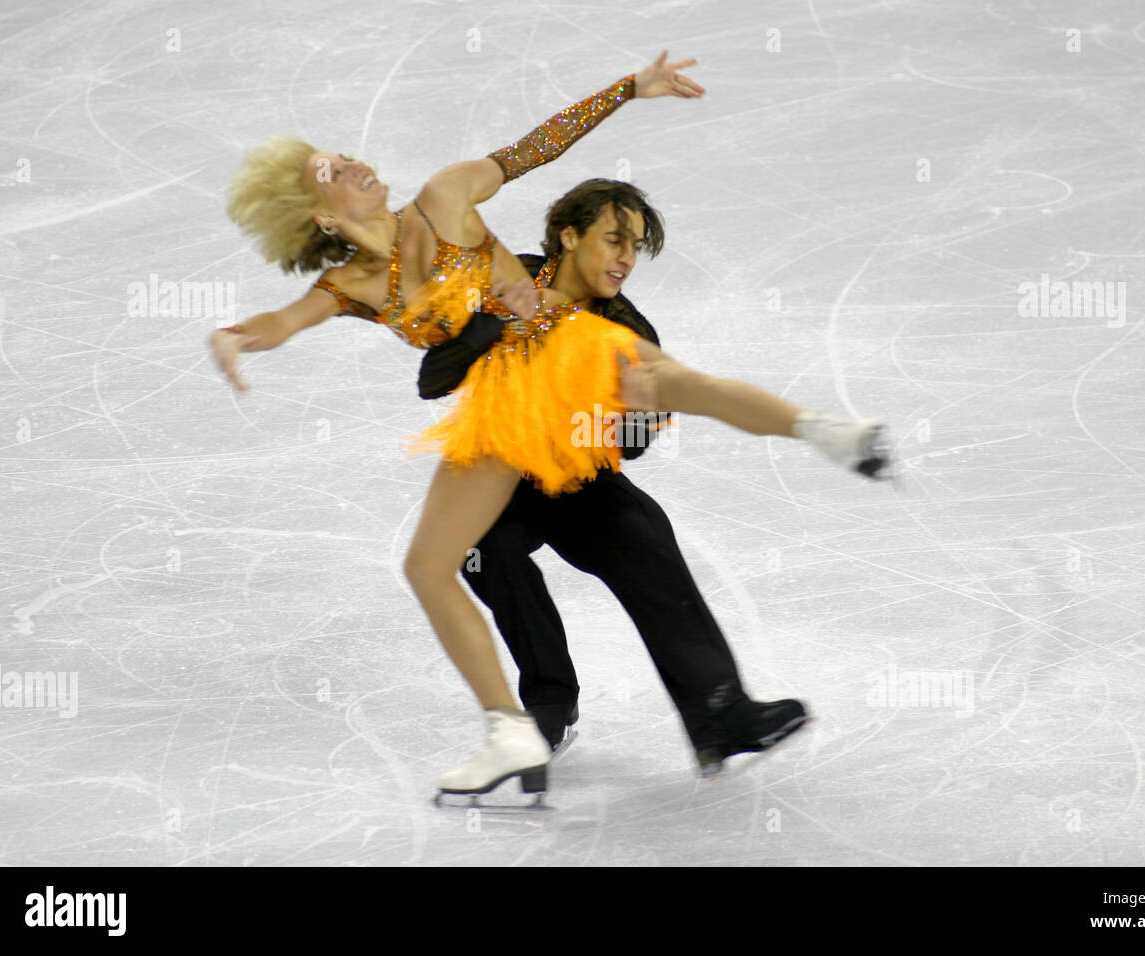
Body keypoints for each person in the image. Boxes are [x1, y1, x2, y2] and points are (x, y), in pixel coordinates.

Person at [212, 53, 890, 801]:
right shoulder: (352, 285)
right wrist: (238, 336)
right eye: (330, 169)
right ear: (324, 216)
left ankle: (826, 433)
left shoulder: (444, 197)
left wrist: (629, 89)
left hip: (565, 362)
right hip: (509, 409)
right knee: (437, 563)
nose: (353, 161)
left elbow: (535, 148)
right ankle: (517, 725)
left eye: (343, 154)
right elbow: (284, 319)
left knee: (673, 392)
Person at [417, 178, 821, 775]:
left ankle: (721, 713)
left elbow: (627, 451)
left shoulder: (628, 331)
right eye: (614, 240)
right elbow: (433, 378)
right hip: (496, 474)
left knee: (645, 536)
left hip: (579, 480)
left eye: (635, 247)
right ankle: (549, 704)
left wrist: (640, 417)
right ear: (569, 234)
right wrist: (495, 324)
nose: (626, 258)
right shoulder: (507, 282)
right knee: (487, 549)